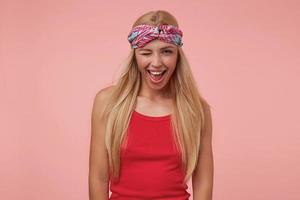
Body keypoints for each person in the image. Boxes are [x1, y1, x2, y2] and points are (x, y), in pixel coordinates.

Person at [89, 10, 214, 200]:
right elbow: (98, 178)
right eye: (146, 53)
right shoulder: (108, 103)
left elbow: (203, 182)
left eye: (166, 52)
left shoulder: (196, 110)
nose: (156, 63)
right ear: (134, 56)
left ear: (178, 55)